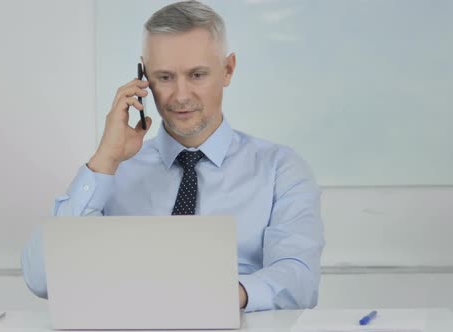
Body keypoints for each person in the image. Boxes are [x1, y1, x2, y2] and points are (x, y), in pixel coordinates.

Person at [21, 0, 324, 312]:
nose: (180, 96)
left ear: (228, 69)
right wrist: (105, 160)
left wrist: (219, 296)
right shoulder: (112, 173)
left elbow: (299, 279)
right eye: (164, 77)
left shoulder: (280, 169)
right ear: (144, 76)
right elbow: (42, 279)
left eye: (196, 75)